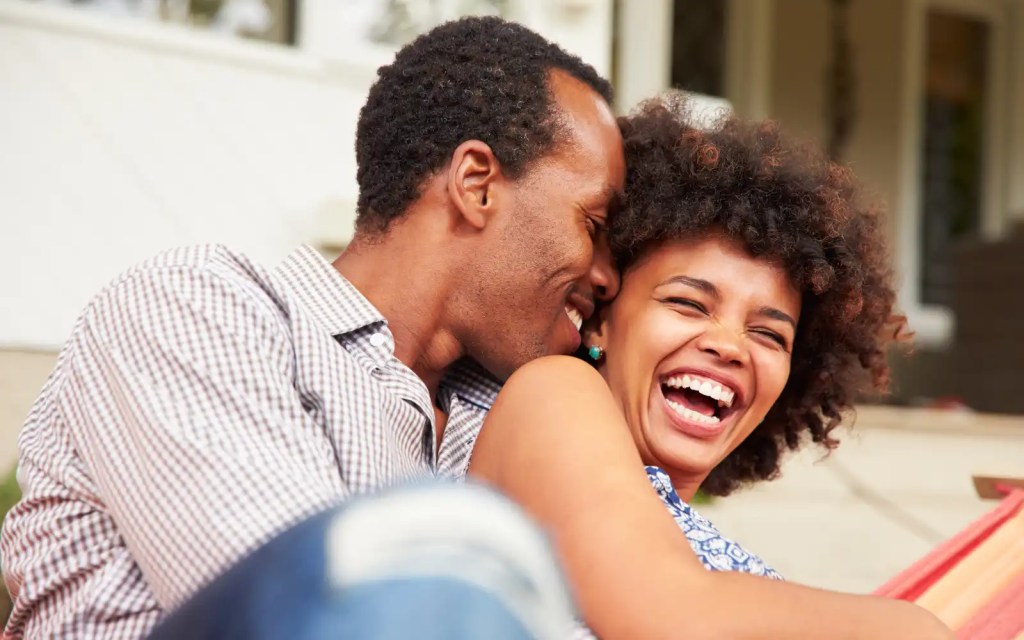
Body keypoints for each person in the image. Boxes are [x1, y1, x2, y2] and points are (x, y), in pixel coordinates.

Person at [0, 17, 624, 638]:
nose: (607, 279)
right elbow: (315, 616)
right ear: (476, 184)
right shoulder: (197, 307)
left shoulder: (505, 418)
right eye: (593, 227)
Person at [468, 96, 955, 639]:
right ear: (602, 318)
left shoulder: (696, 556)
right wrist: (915, 627)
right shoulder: (552, 394)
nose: (729, 346)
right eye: (688, 304)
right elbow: (673, 617)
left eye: (769, 334)